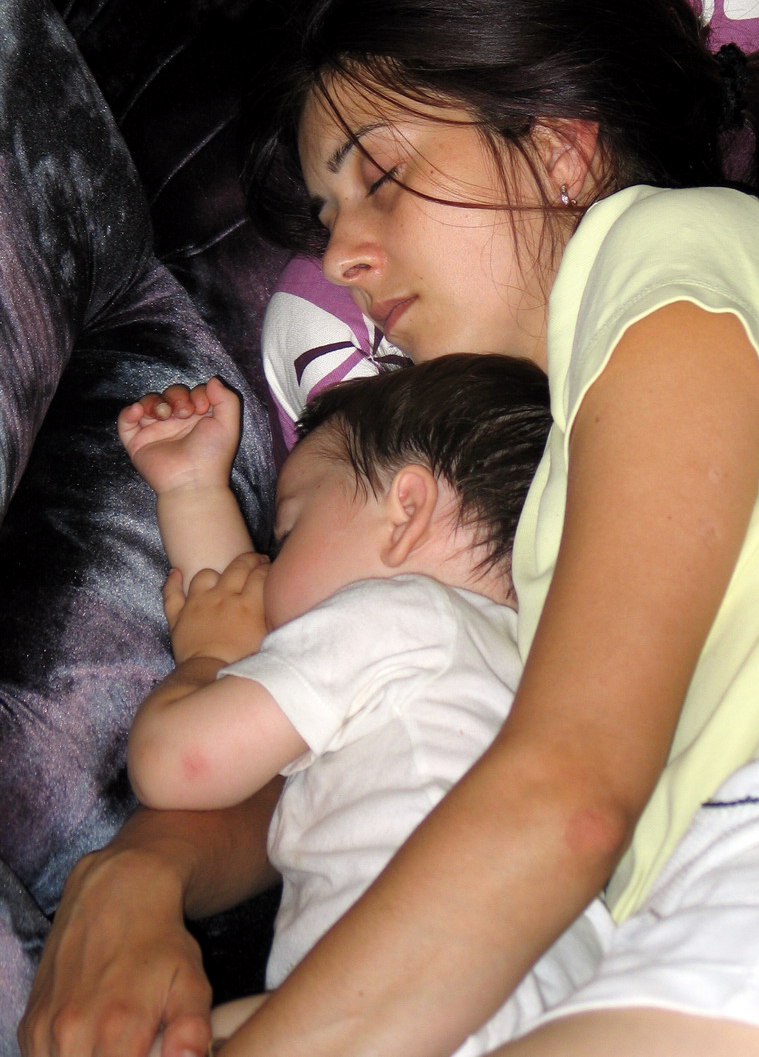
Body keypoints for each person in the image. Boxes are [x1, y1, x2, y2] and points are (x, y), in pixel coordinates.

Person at [20, 0, 759, 1057]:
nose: (342, 255)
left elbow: (565, 794)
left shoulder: (674, 248)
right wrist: (141, 869)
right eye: (327, 215)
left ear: (558, 151)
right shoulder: (547, 490)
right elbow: (389, 734)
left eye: (381, 178)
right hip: (719, 904)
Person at [117, 356, 611, 1055]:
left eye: (288, 532)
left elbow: (183, 761)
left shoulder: (400, 615)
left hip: (424, 1005)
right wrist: (193, 490)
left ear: (405, 513)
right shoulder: (513, 669)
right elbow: (261, 645)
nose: (268, 564)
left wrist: (207, 656)